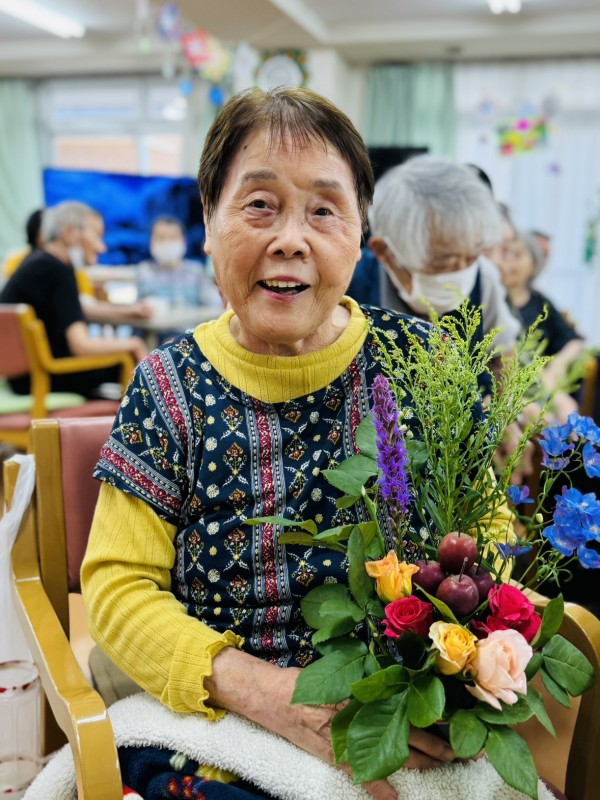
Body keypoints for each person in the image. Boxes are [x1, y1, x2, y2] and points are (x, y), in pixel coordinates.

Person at [81, 88, 514, 800]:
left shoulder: (425, 362)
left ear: (360, 233)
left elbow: (489, 533)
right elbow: (119, 588)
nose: (291, 239)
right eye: (260, 205)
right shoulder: (167, 385)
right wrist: (267, 694)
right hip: (222, 720)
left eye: (323, 210)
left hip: (407, 714)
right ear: (209, 221)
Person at [0, 200, 148, 397]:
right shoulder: (57, 271)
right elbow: (81, 345)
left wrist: (130, 311)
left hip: (22, 377)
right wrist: (133, 343)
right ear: (70, 233)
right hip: (43, 377)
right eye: (97, 235)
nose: (102, 248)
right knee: (129, 363)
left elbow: (76, 308)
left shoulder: (38, 262)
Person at [496, 230, 585, 422]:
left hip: (541, 381)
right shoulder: (493, 300)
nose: (508, 262)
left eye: (517, 255)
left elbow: (574, 341)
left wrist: (558, 365)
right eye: (504, 253)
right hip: (508, 384)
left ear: (533, 264)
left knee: (569, 410)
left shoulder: (541, 303)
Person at [136, 215, 221, 342]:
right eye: (161, 238)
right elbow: (148, 310)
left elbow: (214, 304)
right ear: (151, 242)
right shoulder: (145, 270)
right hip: (159, 338)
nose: (166, 242)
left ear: (183, 240)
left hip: (194, 337)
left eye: (172, 237)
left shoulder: (196, 271)